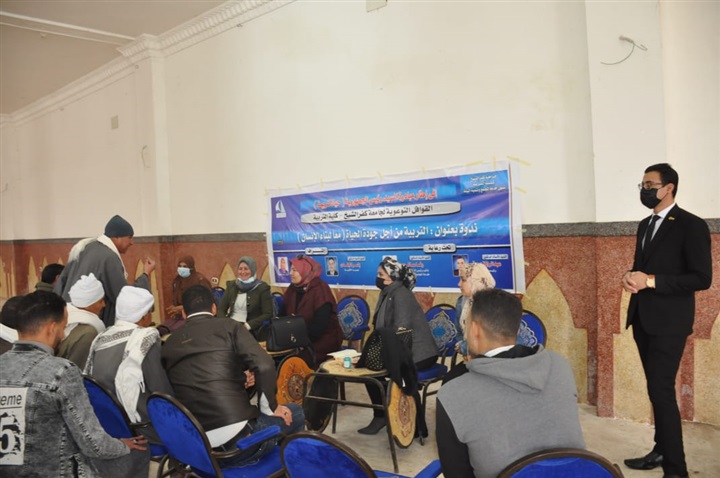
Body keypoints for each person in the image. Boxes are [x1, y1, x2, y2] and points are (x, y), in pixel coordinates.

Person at [621, 163, 712, 478]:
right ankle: (661, 450)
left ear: (669, 187)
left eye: (650, 185)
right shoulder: (645, 224)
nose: (644, 190)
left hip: (669, 323)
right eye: (642, 185)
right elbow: (641, 266)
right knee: (655, 389)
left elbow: (701, 278)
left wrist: (650, 281)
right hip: (642, 318)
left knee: (661, 391)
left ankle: (676, 470)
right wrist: (630, 277)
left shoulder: (691, 225)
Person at [436, 288, 585, 478]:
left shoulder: (453, 392)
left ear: (474, 330)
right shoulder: (559, 366)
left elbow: (456, 473)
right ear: (517, 329)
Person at [0, 291, 148, 476]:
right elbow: (94, 445)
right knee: (139, 452)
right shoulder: (61, 372)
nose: (63, 335)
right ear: (51, 328)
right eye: (63, 327)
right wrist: (122, 445)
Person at [162, 285, 304, 466]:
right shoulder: (230, 327)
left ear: (183, 313)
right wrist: (271, 407)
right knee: (295, 411)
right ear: (214, 308)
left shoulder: (169, 343)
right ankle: (281, 468)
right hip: (239, 445)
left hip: (197, 448)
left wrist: (239, 379)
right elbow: (264, 365)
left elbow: (189, 380)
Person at [358, 258, 438, 436]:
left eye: (381, 274)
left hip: (420, 353)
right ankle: (381, 416)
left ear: (392, 276)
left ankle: (414, 425)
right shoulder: (387, 293)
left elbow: (401, 330)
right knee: (369, 372)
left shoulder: (401, 294)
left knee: (400, 375)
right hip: (400, 348)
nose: (378, 278)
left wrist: (384, 355)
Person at [84, 286, 173, 446]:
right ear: (144, 315)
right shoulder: (145, 338)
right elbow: (160, 390)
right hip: (139, 427)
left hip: (108, 424)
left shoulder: (100, 338)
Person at [55, 214, 156, 327]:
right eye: (130, 237)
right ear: (117, 237)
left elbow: (61, 283)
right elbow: (123, 296)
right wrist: (145, 274)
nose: (132, 242)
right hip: (87, 321)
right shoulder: (108, 257)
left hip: (67, 315)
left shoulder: (86, 247)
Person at [282, 255, 342, 365]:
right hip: (297, 339)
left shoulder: (320, 289)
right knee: (279, 357)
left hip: (322, 340)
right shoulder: (292, 289)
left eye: (294, 270)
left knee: (297, 360)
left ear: (305, 271)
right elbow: (282, 315)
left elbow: (319, 327)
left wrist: (300, 341)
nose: (290, 273)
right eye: (291, 269)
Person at [57, 273, 106, 369]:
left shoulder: (64, 315)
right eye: (100, 301)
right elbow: (75, 370)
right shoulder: (88, 333)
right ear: (88, 304)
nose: (104, 305)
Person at [218, 256, 273, 340]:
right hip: (231, 325)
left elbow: (268, 313)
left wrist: (248, 325)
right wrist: (226, 323)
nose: (243, 272)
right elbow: (221, 309)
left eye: (246, 269)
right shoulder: (231, 285)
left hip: (251, 329)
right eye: (240, 269)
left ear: (253, 270)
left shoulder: (262, 288)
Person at [158, 255, 211, 336]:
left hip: (194, 317)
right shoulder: (177, 281)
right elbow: (176, 299)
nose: (181, 269)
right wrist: (174, 308)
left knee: (174, 333)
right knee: (160, 330)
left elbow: (205, 303)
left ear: (191, 267)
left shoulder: (200, 280)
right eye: (180, 266)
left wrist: (184, 308)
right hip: (179, 316)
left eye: (185, 266)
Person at [454, 262, 496, 359]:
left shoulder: (496, 305)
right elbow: (459, 333)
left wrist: (465, 348)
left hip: (494, 361)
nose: (459, 284)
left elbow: (493, 341)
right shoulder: (461, 302)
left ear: (476, 281)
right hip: (471, 359)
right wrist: (466, 351)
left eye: (463, 280)